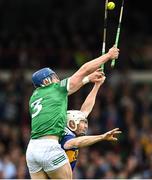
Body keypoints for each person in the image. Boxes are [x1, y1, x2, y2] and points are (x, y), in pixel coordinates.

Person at [26, 46, 119, 179]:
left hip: (32, 149)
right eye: (54, 77)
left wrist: (92, 82)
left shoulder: (34, 97)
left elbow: (84, 111)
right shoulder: (55, 89)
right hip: (49, 147)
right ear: (46, 81)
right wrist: (108, 56)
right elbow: (84, 69)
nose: (58, 80)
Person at [60, 75, 122, 171]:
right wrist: (101, 137)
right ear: (72, 124)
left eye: (85, 123)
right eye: (82, 123)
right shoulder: (66, 135)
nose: (85, 126)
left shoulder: (70, 131)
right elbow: (75, 143)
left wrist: (97, 85)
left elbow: (86, 109)